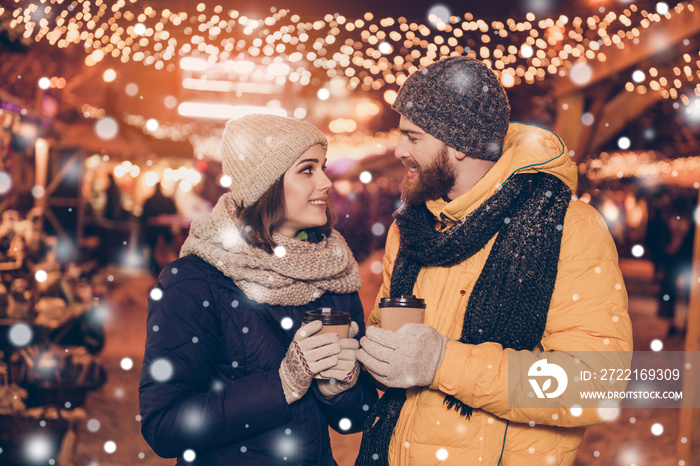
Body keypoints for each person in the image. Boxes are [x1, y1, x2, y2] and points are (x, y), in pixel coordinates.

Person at [355, 56, 633, 465]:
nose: (399, 150)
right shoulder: (411, 228)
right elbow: (391, 346)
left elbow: (595, 384)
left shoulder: (566, 227)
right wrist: (351, 363)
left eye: (413, 137)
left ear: (460, 144)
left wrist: (443, 362)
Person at [139, 114, 378, 465]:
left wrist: (339, 385)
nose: (327, 182)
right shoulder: (194, 280)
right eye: (307, 169)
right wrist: (282, 384)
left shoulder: (332, 273)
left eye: (323, 167)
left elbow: (357, 418)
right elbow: (164, 428)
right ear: (264, 183)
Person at [140, 182, 178, 275]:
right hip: (165, 231)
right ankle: (166, 270)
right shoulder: (167, 200)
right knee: (165, 251)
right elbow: (174, 211)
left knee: (153, 251)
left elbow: (143, 216)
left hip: (152, 231)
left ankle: (153, 269)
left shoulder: (149, 201)